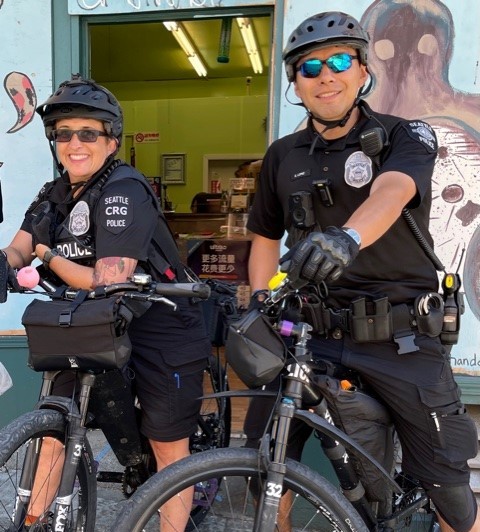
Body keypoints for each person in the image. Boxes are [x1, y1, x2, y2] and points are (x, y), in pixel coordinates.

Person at [244, 11, 479, 532]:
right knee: (266, 467)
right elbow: (263, 237)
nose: (325, 76)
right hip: (308, 334)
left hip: (400, 337)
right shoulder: (282, 155)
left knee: (451, 492)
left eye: (339, 61)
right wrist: (261, 303)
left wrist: (347, 236)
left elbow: (392, 191)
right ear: (294, 83)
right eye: (309, 67)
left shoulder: (405, 134)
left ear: (362, 68)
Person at [1, 74, 211, 531]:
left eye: (88, 133)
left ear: (111, 141)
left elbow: (106, 278)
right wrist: (4, 264)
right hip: (89, 322)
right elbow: (19, 246)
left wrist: (47, 256)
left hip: (161, 322)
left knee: (166, 442)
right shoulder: (52, 193)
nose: (74, 143)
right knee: (56, 429)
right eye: (63, 133)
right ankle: (32, 523)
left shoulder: (124, 189)